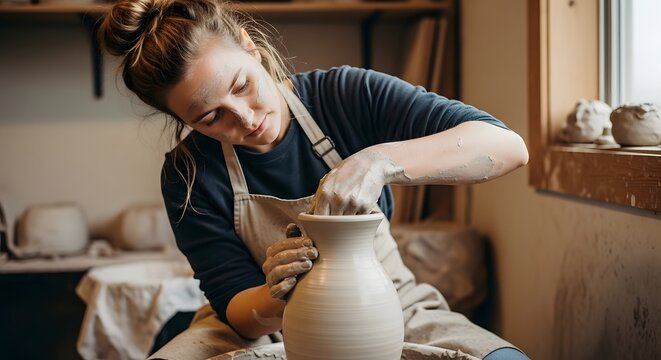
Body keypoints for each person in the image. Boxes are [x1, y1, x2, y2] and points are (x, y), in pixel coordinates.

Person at [98, 0, 530, 359]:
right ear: (184, 120)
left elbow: (508, 147)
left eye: (243, 85)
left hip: (389, 303)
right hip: (266, 326)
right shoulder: (188, 172)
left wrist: (380, 160)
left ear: (250, 47)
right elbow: (235, 307)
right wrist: (277, 293)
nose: (245, 119)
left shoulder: (346, 95)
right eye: (212, 117)